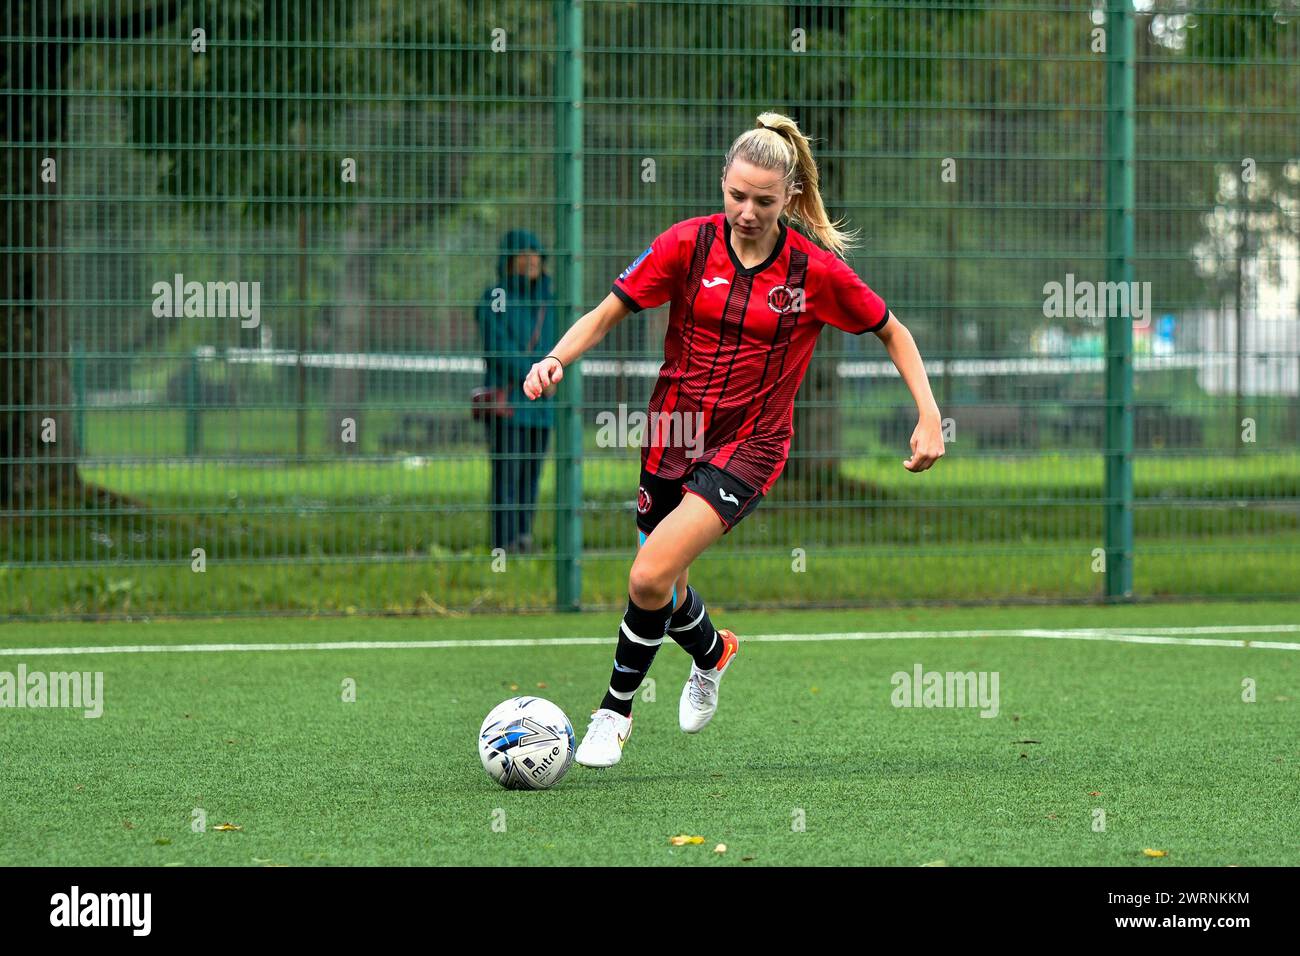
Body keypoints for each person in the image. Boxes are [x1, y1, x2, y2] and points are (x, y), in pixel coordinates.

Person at [522, 112, 945, 768]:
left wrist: (927, 415)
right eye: (737, 195)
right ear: (722, 182)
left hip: (751, 445)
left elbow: (894, 330)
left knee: (647, 574)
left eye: (765, 201)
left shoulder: (813, 272)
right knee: (663, 584)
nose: (747, 211)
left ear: (791, 199)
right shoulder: (686, 246)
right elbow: (608, 311)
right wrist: (556, 358)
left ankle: (613, 713)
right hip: (671, 435)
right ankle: (714, 652)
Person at [475, 229, 555, 554]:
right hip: (508, 405)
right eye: (524, 252)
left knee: (531, 474)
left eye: (536, 253)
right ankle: (503, 544)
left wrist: (549, 377)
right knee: (506, 474)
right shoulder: (493, 298)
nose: (532, 259)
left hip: (542, 405)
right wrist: (534, 375)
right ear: (509, 259)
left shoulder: (550, 299)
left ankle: (524, 538)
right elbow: (497, 347)